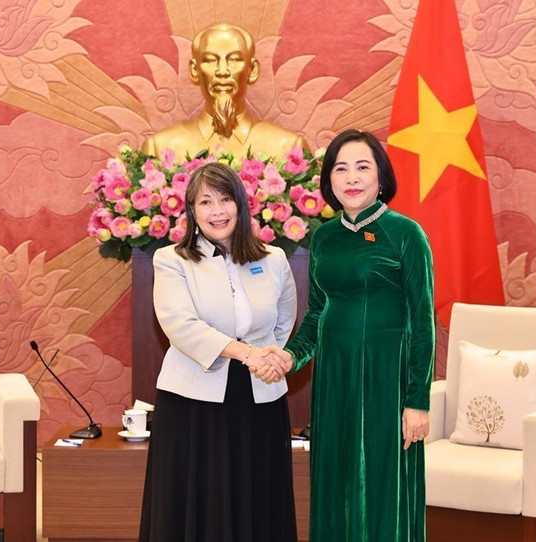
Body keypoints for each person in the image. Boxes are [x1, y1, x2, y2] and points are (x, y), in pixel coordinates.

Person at [269, 129, 435, 541]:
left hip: (388, 382)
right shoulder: (323, 238)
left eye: (363, 167)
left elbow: (423, 320)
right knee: (335, 481)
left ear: (381, 176)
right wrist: (291, 356)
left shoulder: (406, 234)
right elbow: (317, 313)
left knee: (383, 485)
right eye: (341, 169)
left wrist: (417, 400)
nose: (352, 177)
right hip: (334, 381)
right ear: (329, 181)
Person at [139, 161, 298, 542]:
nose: (217, 211)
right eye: (205, 202)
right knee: (199, 505)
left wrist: (271, 359)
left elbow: (284, 318)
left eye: (226, 199)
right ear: (191, 211)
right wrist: (246, 354)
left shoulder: (273, 259)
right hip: (194, 401)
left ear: (241, 205)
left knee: (258, 498)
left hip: (260, 398)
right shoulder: (171, 260)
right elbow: (181, 325)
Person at [141, 22, 307, 160]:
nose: (222, 71)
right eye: (210, 60)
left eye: (234, 59)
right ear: (194, 70)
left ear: (252, 70)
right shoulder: (159, 148)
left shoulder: (289, 148)